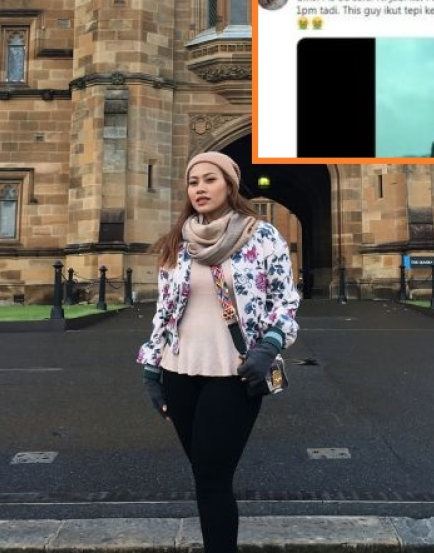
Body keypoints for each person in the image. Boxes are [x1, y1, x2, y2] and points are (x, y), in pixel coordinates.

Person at [137, 151, 300, 553]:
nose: (200, 188)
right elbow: (164, 311)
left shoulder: (263, 236)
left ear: (230, 185)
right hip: (178, 371)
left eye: (210, 180)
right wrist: (152, 369)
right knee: (205, 476)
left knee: (213, 477)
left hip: (235, 372)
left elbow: (285, 301)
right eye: (193, 182)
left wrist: (269, 346)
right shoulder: (178, 242)